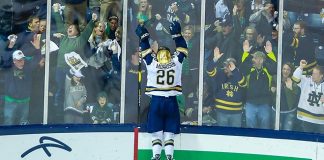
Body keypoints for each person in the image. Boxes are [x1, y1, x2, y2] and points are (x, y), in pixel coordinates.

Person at [135, 21, 188, 160]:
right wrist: (177, 35)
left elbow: (145, 51)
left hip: (156, 101)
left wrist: (144, 37)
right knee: (169, 132)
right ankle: (170, 156)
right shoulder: (176, 62)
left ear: (158, 55)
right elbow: (183, 49)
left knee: (157, 132)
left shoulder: (153, 64)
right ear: (170, 55)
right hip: (171, 101)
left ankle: (156, 156)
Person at [206, 48, 246, 127]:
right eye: (225, 65)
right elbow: (209, 71)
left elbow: (243, 83)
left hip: (236, 112)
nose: (225, 67)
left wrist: (234, 71)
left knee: (235, 135)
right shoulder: (219, 72)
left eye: (228, 66)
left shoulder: (239, 74)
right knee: (222, 135)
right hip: (221, 110)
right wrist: (215, 59)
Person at [292, 60, 324, 134]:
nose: (312, 75)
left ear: (321, 75)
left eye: (315, 74)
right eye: (312, 73)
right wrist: (300, 67)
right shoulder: (306, 80)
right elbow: (295, 78)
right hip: (305, 118)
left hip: (321, 121)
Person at [271, 62, 300, 130]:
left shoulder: (294, 81)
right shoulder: (275, 78)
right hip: (276, 111)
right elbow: (271, 88)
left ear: (291, 71)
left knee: (287, 131)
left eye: (288, 69)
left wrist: (290, 88)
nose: (285, 71)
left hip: (289, 112)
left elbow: (296, 96)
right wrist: (272, 89)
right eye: (284, 69)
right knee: (276, 132)